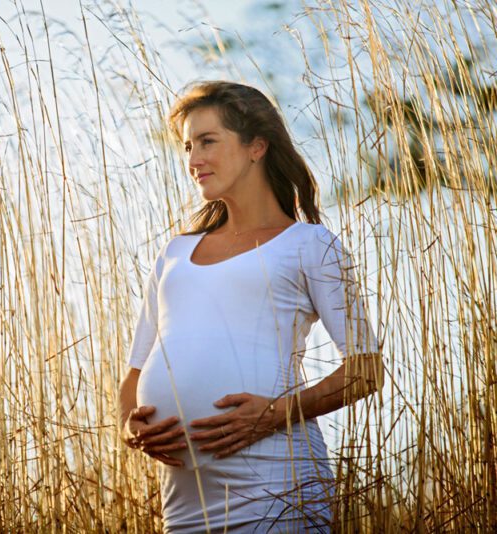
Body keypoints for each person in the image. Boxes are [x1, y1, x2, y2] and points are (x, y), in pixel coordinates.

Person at [117, 81, 384, 532]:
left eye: (207, 141)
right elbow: (135, 372)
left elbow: (366, 369)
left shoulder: (310, 245)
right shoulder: (174, 253)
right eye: (186, 146)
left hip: (275, 484)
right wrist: (128, 425)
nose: (192, 160)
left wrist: (275, 414)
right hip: (185, 501)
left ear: (256, 146)